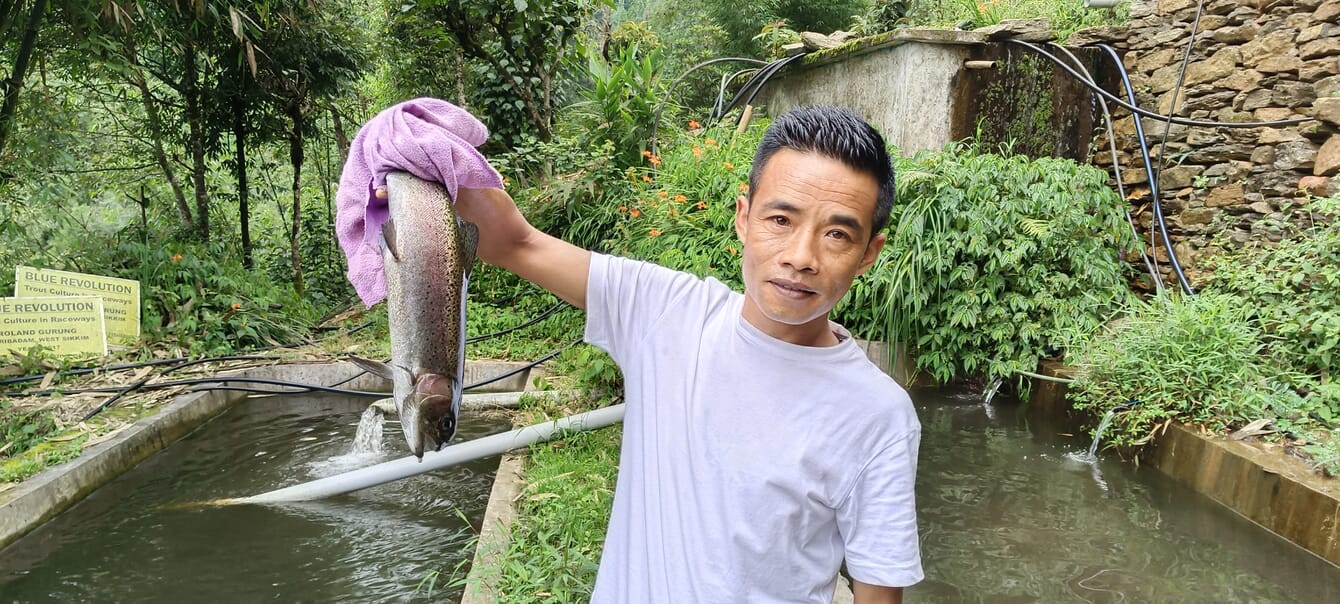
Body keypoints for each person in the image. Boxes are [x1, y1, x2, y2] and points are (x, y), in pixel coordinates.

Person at [452, 105, 922, 603]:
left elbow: (877, 594)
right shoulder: (665, 313)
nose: (801, 257)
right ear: (744, 217)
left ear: (869, 252)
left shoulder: (878, 416)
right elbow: (512, 241)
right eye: (781, 219)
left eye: (838, 234)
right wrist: (417, 164)